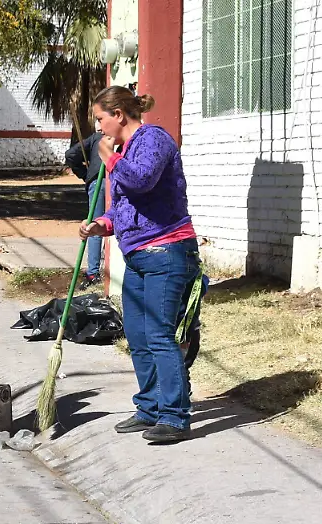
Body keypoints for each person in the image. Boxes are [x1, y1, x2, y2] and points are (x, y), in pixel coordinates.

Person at [79, 86, 204, 444]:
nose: (99, 128)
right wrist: (101, 224)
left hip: (167, 251)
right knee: (136, 334)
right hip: (136, 256)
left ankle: (175, 416)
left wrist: (109, 159)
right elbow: (125, 208)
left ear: (119, 114)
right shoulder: (122, 150)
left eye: (101, 119)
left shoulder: (153, 140)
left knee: (160, 334)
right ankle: (149, 406)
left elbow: (142, 180)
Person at [65, 128, 108, 290]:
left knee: (94, 227)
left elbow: (70, 155)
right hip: (112, 180)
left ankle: (93, 273)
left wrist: (87, 174)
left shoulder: (97, 137)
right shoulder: (122, 138)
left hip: (98, 181)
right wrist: (87, 174)